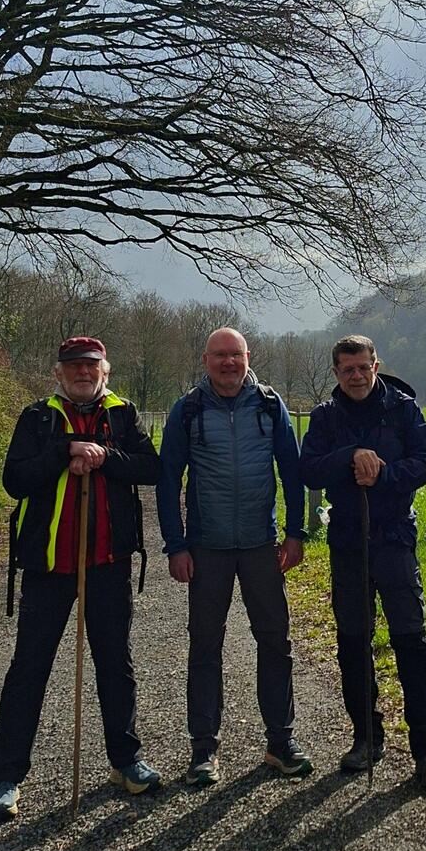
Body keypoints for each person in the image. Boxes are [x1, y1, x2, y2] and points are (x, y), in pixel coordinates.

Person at [0, 337, 161, 821]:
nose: (83, 372)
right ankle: (5, 778)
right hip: (47, 565)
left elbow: (152, 468)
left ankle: (125, 762)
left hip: (108, 561)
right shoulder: (36, 418)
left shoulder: (124, 415)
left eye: (91, 365)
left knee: (115, 665)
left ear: (106, 369)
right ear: (58, 374)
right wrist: (65, 450)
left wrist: (103, 455)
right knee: (28, 668)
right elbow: (15, 479)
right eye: (74, 366)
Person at [156, 327, 311, 786]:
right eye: (220, 355)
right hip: (207, 548)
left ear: (248, 357)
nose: (228, 363)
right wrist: (176, 544)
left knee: (275, 642)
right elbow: (168, 480)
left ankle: (280, 742)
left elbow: (293, 471)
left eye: (236, 355)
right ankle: (203, 750)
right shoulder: (187, 410)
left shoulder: (269, 405)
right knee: (205, 645)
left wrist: (296, 533)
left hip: (263, 545)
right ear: (205, 359)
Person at [299, 335, 426, 790]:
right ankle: (366, 737)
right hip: (347, 541)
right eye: (348, 370)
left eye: (363, 367)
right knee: (352, 642)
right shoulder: (326, 418)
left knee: (411, 640)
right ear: (336, 373)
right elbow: (308, 469)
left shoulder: (403, 409)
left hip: (395, 538)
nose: (357, 376)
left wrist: (383, 472)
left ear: (376, 365)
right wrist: (349, 457)